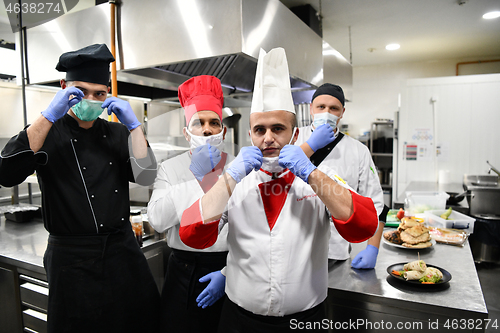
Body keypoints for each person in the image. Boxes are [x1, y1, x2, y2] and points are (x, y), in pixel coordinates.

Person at [178, 48, 378, 333]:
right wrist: (231, 175)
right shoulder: (232, 182)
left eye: (278, 129)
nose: (268, 138)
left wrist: (309, 171)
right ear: (250, 135)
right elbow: (192, 233)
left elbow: (363, 225)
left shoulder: (320, 179)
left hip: (305, 320)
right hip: (239, 321)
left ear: (295, 135)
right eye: (259, 130)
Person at [0, 44, 160, 333]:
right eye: (80, 91)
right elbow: (6, 173)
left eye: (99, 93)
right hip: (71, 260)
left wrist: (136, 127)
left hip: (122, 254)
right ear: (63, 88)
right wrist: (49, 115)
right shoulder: (47, 132)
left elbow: (147, 177)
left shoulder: (117, 132)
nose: (90, 99)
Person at [147, 75, 234, 333]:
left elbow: (255, 231)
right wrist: (198, 178)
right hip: (184, 273)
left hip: (232, 270)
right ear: (187, 133)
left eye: (213, 123)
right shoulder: (170, 168)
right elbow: (157, 220)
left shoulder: (240, 167)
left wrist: (229, 272)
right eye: (199, 123)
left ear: (223, 131)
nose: (206, 129)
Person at [295, 83, 385, 269]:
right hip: (292, 244)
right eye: (321, 107)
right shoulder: (293, 138)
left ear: (342, 112)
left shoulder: (358, 151)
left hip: (334, 249)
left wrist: (372, 248)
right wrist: (310, 146)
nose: (327, 112)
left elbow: (374, 203)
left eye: (333, 108)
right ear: (311, 108)